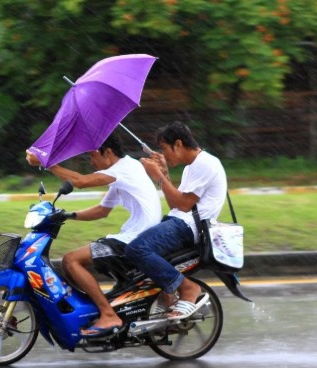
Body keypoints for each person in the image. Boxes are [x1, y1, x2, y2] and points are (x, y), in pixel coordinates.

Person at [26, 133, 162, 336]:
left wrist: (48, 163)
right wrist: (66, 215)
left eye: (92, 155)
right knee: (75, 260)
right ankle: (101, 309)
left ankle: (108, 314)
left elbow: (80, 182)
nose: (91, 161)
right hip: (136, 235)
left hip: (136, 240)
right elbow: (102, 210)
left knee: (71, 260)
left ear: (107, 152)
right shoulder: (124, 170)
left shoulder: (122, 170)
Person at [125, 121, 227, 320]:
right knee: (128, 254)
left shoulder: (206, 163)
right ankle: (167, 295)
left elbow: (184, 205)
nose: (163, 153)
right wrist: (163, 173)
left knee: (136, 249)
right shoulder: (192, 166)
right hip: (179, 222)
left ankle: (188, 289)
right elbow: (177, 203)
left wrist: (157, 176)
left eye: (164, 148)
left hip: (188, 228)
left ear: (178, 144)